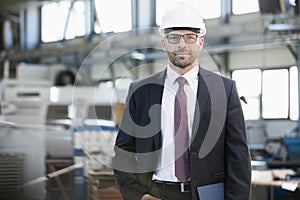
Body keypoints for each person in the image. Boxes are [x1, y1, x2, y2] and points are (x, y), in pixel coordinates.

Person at [113, 2, 251, 200]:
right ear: (164, 43)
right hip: (155, 194)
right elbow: (124, 151)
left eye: (190, 37)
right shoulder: (141, 91)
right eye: (173, 37)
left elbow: (239, 158)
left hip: (207, 195)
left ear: (200, 42)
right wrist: (138, 195)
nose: (182, 45)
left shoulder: (225, 89)